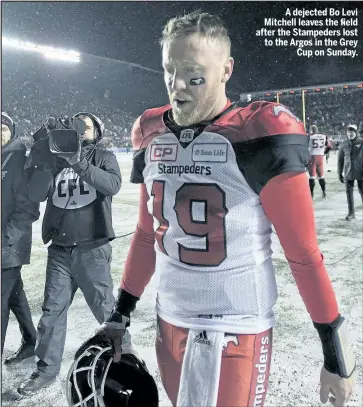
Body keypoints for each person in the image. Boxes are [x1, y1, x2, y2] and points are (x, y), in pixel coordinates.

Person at [78, 11, 356, 407]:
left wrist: (335, 354)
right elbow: (146, 235)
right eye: (169, 72)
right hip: (169, 317)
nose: (178, 88)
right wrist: (121, 312)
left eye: (194, 76)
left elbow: (303, 254)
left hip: (234, 327)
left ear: (226, 70)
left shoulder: (259, 132)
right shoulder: (150, 131)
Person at [18, 113, 122, 395]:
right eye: (74, 125)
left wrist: (79, 160)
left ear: (97, 132)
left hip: (93, 247)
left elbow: (112, 185)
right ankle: (46, 370)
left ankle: (123, 361)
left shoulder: (103, 156)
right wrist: (40, 154)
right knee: (51, 312)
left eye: (85, 126)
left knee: (104, 310)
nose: (79, 130)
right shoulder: (55, 160)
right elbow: (36, 193)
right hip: (60, 251)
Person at [1, 112, 40, 363]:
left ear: (12, 131)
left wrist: (6, 240)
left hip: (9, 245)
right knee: (15, 296)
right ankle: (31, 341)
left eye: (3, 128)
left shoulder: (19, 160)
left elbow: (28, 208)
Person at [338, 124, 363, 221]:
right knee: (349, 193)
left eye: (352, 132)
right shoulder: (344, 144)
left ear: (356, 133)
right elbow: (340, 160)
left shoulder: (361, 142)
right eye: (348, 132)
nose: (350, 134)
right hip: (348, 172)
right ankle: (351, 213)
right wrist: (339, 173)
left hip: (360, 172)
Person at [308, 124, 330, 199]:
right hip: (320, 157)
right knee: (321, 176)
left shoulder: (309, 136)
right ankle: (324, 193)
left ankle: (311, 195)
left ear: (311, 130)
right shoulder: (323, 136)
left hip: (312, 157)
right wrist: (324, 153)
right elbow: (329, 146)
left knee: (312, 176)